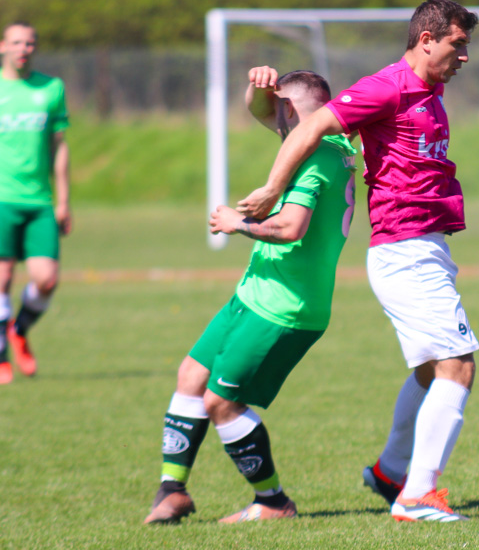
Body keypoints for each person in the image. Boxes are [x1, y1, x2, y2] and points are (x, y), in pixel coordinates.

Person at [237, 0, 479, 522]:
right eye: (458, 45)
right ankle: (417, 496)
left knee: (428, 372)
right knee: (458, 367)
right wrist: (272, 187)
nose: (464, 57)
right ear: (426, 40)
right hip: (405, 248)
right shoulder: (385, 87)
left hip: (423, 246)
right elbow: (305, 127)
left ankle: (392, 472)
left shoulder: (429, 90)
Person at [143, 67, 357, 524]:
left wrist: (235, 224)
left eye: (278, 109)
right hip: (254, 294)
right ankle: (172, 490)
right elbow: (260, 108)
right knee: (191, 377)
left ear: (291, 111)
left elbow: (290, 227)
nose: (271, 120)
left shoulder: (314, 157)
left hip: (285, 309)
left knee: (221, 404)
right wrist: (258, 86)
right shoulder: (315, 140)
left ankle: (274, 503)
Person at [0, 21, 71, 385]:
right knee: (1, 276)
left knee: (46, 278)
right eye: (17, 42)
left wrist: (64, 200)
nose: (24, 48)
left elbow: (59, 147)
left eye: (30, 43)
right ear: (1, 46)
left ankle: (19, 329)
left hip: (39, 201)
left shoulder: (52, 88)